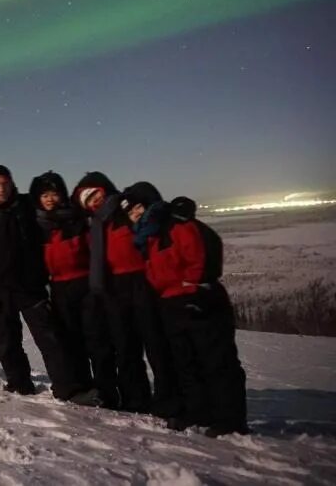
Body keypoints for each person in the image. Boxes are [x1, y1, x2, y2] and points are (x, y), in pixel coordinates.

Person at [121, 182, 248, 437]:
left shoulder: (176, 224)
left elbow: (197, 256)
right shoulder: (151, 235)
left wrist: (194, 288)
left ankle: (229, 419)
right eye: (129, 211)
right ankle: (198, 411)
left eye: (136, 207)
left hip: (198, 300)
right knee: (185, 362)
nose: (133, 214)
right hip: (172, 304)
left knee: (216, 361)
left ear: (148, 204)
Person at [0, 165, 98, 404]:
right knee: (8, 341)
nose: (2, 189)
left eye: (5, 183)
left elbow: (49, 201)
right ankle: (20, 385)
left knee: (50, 338)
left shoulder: (24, 207)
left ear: (12, 184)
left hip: (31, 288)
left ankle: (68, 389)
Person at [73, 172, 178, 418]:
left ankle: (169, 401)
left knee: (156, 344)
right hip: (115, 288)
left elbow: (152, 205)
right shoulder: (97, 224)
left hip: (143, 280)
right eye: (86, 200)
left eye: (95, 194)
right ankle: (135, 399)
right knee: (126, 347)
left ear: (105, 189)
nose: (93, 201)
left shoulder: (126, 208)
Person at [30, 171, 120, 409]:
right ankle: (84, 389)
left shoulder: (77, 220)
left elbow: (96, 254)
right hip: (59, 289)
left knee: (98, 342)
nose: (50, 199)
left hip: (85, 285)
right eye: (44, 195)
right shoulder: (38, 228)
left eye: (54, 193)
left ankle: (108, 391)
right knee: (72, 343)